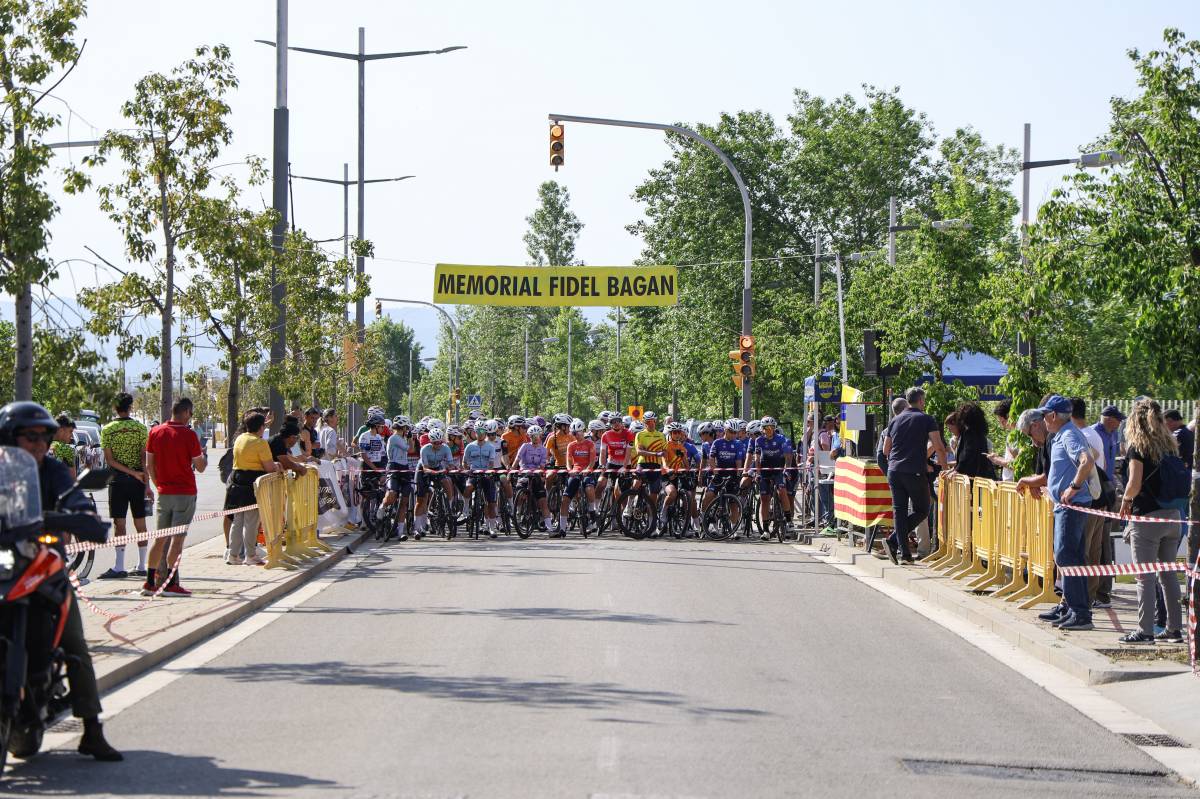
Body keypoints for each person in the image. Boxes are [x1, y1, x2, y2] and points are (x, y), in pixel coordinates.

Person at [0, 402, 122, 760]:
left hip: (40, 560)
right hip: (4, 558)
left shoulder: (54, 471)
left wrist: (82, 517)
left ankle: (92, 729)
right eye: (31, 436)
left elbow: (74, 499)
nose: (40, 443)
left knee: (75, 642)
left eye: (44, 436)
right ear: (10, 437)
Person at [1118, 398, 1183, 644]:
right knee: (1168, 575)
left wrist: (1125, 501)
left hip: (1147, 519)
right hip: (1173, 516)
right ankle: (1175, 629)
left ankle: (1145, 631)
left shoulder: (1138, 447)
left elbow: (1134, 484)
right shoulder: (1169, 444)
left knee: (1144, 576)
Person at [1031, 395, 1097, 632]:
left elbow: (1086, 460)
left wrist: (1074, 486)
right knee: (1070, 558)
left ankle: (1079, 612)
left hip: (1071, 506)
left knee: (1067, 557)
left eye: (1045, 415)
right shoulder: (1063, 434)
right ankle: (1073, 608)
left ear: (1053, 416)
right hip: (1067, 506)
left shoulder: (1068, 435)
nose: (1043, 420)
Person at [144, 398, 207, 596]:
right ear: (186, 412)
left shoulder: (155, 432)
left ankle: (149, 582)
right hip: (185, 493)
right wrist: (202, 455)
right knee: (177, 540)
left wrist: (157, 484)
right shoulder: (189, 435)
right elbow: (201, 466)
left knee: (160, 539)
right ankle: (171, 583)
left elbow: (149, 464)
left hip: (164, 492)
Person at [882, 387, 948, 564]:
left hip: (894, 471)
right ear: (921, 401)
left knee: (900, 511)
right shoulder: (926, 419)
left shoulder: (895, 421)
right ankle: (894, 541)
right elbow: (939, 446)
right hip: (914, 470)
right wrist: (945, 467)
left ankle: (904, 554)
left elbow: (885, 449)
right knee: (922, 509)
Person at [99, 392, 150, 580]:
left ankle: (119, 565)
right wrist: (146, 482)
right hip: (138, 481)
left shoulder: (108, 429)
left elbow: (110, 460)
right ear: (130, 407)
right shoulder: (140, 428)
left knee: (119, 523)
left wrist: (129, 472)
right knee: (141, 523)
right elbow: (144, 458)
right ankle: (142, 564)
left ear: (115, 407)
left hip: (118, 481)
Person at [225, 413, 280, 565]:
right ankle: (250, 555)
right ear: (261, 427)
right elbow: (269, 467)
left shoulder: (240, 438)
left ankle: (233, 554)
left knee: (237, 520)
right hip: (252, 483)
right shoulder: (260, 443)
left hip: (237, 481)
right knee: (251, 521)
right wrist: (278, 466)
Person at [750, 416, 794, 540]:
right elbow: (757, 459)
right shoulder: (758, 440)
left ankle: (789, 521)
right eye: (766, 428)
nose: (768, 430)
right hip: (765, 470)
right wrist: (758, 473)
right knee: (764, 499)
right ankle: (765, 530)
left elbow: (788, 456)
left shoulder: (781, 439)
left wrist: (787, 470)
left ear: (774, 428)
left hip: (779, 469)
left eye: (771, 428)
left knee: (782, 491)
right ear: (762, 429)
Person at [413, 427, 457, 539]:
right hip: (424, 470)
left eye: (439, 443)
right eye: (435, 443)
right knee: (421, 499)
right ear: (430, 441)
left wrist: (448, 469)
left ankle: (449, 506)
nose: (437, 445)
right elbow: (426, 468)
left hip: (438, 468)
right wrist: (436, 472)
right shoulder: (424, 449)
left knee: (447, 481)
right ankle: (417, 528)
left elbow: (451, 464)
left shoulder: (445, 448)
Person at [514, 425, 556, 535]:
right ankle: (518, 513)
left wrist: (540, 473)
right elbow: (517, 459)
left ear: (541, 436)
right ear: (529, 436)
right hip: (524, 473)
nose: (535, 438)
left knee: (543, 501)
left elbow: (542, 465)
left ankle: (550, 529)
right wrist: (511, 471)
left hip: (536, 474)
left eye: (537, 436)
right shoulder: (525, 446)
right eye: (533, 436)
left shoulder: (543, 449)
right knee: (520, 493)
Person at [378, 416, 415, 540]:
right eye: (407, 428)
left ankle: (400, 531)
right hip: (394, 466)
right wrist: (410, 439)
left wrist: (409, 439)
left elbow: (412, 449)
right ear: (403, 427)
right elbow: (408, 448)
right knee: (392, 493)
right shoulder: (394, 438)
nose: (407, 430)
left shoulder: (403, 438)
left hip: (404, 467)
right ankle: (383, 506)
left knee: (404, 500)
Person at [632, 411, 667, 537]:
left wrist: (664, 465)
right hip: (643, 464)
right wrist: (655, 454)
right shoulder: (640, 435)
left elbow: (664, 453)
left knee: (653, 498)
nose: (650, 424)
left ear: (655, 421)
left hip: (656, 466)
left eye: (652, 421)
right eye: (647, 422)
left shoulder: (661, 435)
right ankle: (630, 505)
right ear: (644, 423)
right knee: (636, 483)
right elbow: (639, 452)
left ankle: (651, 527)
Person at [462, 422, 500, 538]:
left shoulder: (490, 447)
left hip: (486, 474)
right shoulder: (469, 446)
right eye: (478, 432)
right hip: (473, 474)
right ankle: (466, 509)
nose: (480, 434)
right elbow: (464, 462)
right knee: (468, 488)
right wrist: (467, 469)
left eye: (483, 432)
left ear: (485, 433)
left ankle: (492, 528)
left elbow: (491, 463)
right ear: (475, 432)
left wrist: (488, 473)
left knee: (491, 502)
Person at [945, 402, 994, 480]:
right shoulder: (979, 433)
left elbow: (968, 453)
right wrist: (954, 469)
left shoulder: (970, 433)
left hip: (974, 476)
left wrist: (957, 470)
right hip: (982, 475)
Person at [987, 399, 1018, 481]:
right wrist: (998, 458)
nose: (1002, 426)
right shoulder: (1012, 436)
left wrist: (997, 460)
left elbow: (1016, 464)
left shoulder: (1017, 436)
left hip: (1014, 484)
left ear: (1010, 416)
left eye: (1003, 422)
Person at [51, 413, 78, 478]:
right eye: (70, 431)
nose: (71, 436)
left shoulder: (42, 445)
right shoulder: (66, 449)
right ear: (61, 430)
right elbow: (72, 478)